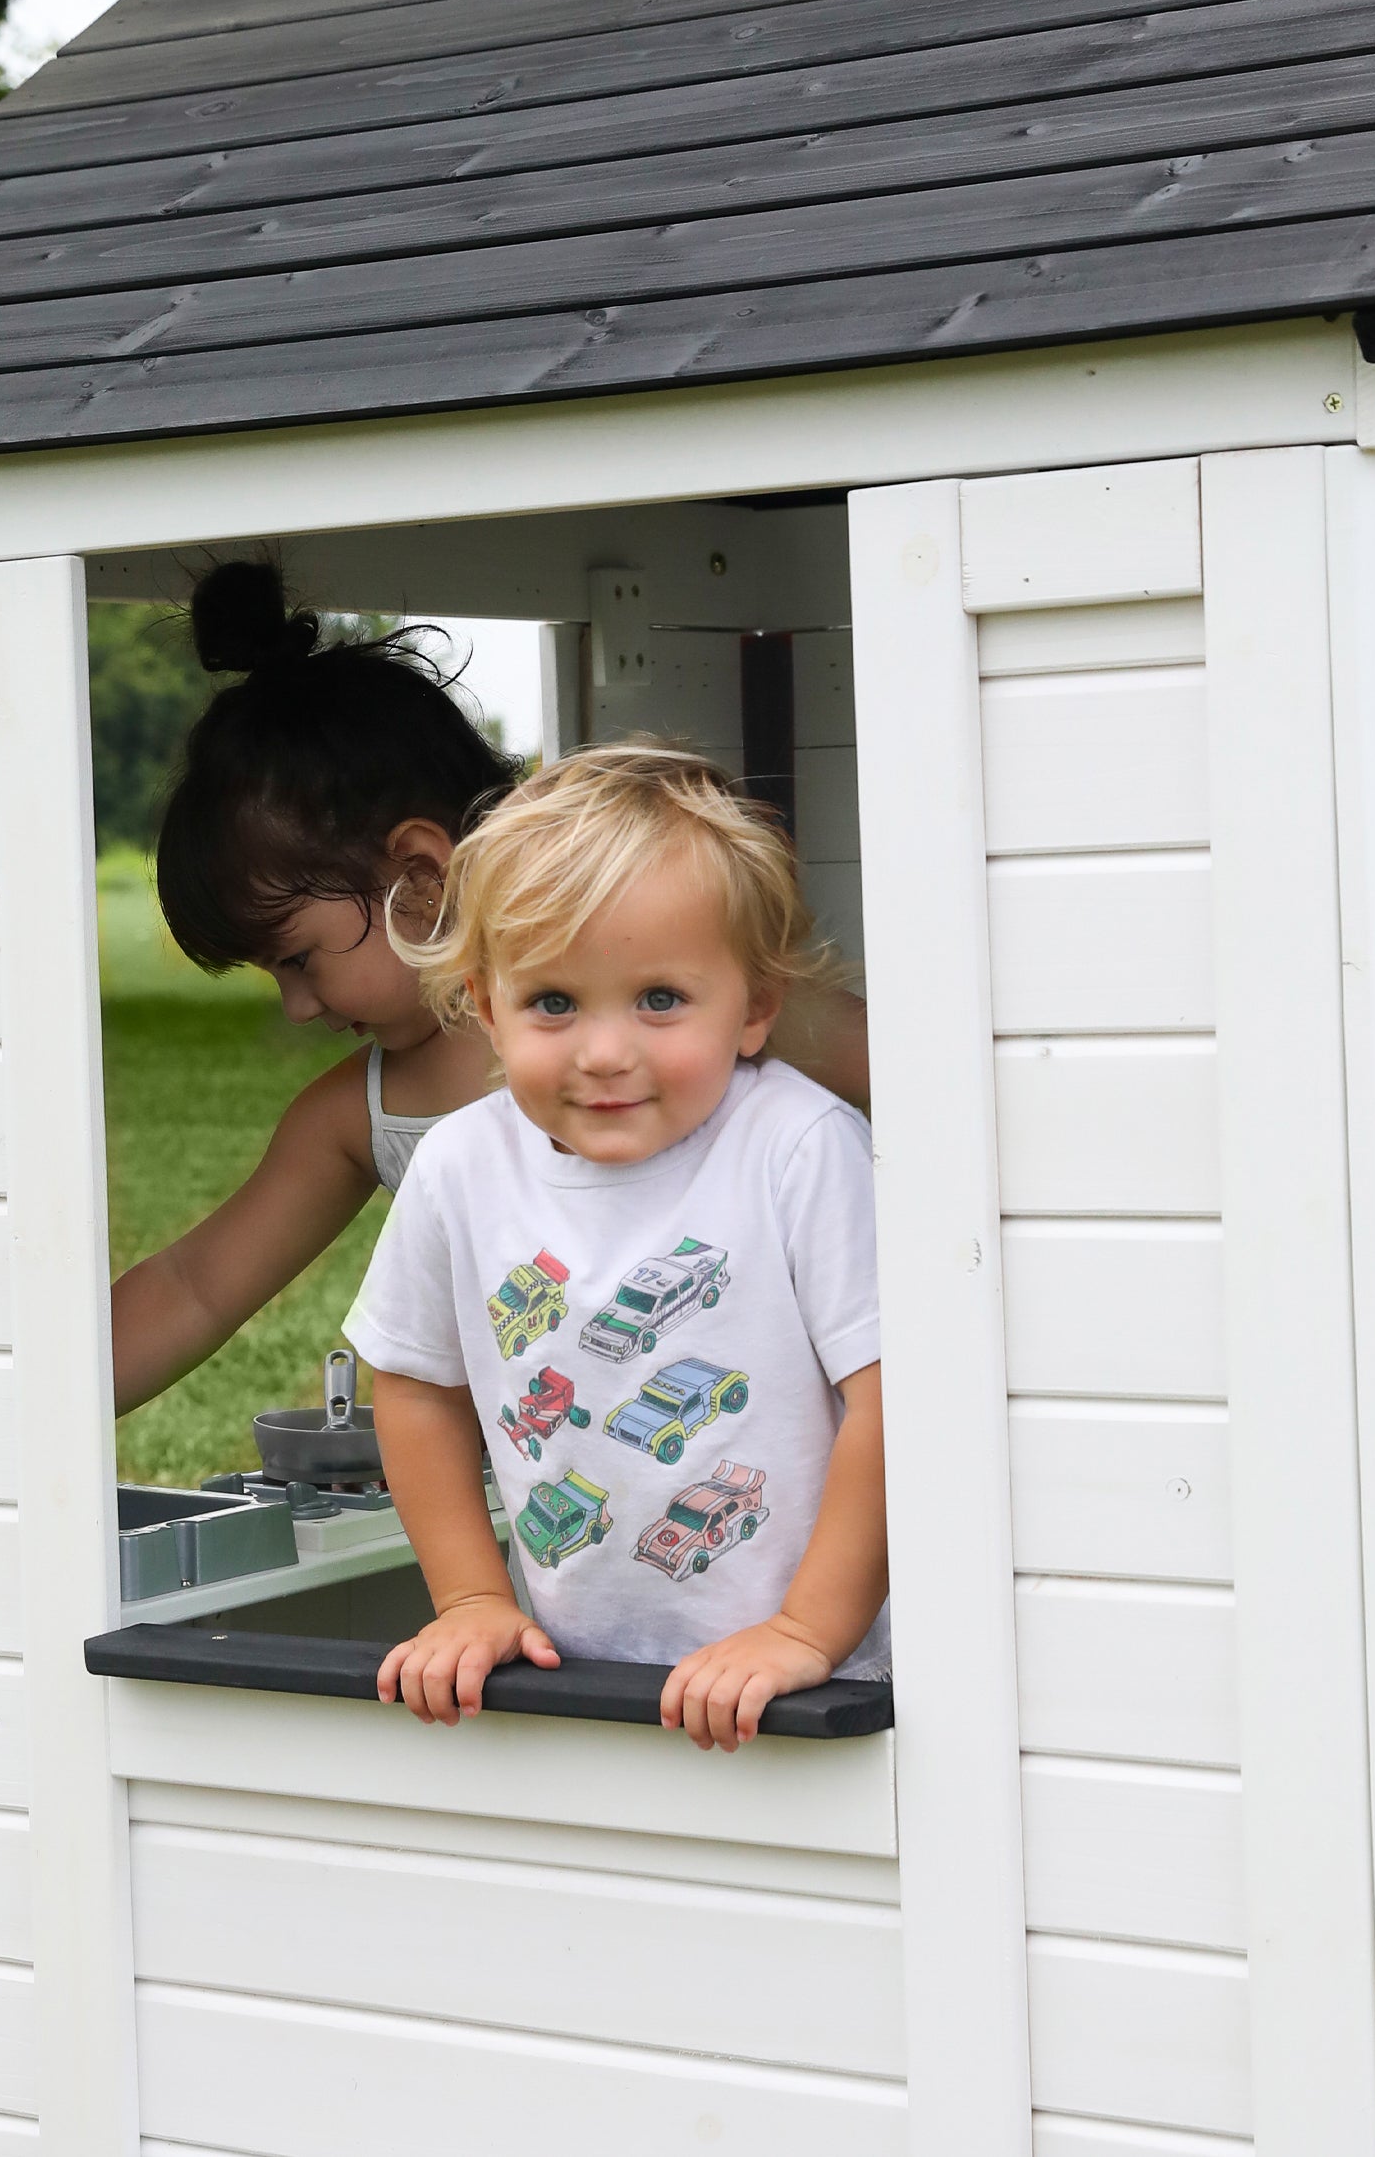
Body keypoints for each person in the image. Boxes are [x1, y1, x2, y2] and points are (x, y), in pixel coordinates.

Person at [108, 562, 868, 1416]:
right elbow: (193, 1286)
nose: (297, 1006)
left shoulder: (685, 992)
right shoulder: (360, 1120)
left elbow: (925, 1097)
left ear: (421, 877)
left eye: (298, 959)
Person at [348, 746, 889, 1750]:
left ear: (755, 1005)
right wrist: (470, 1598)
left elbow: (893, 1402)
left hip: (815, 1692)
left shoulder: (799, 1149)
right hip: (574, 1685)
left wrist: (805, 1631)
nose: (605, 1052)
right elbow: (416, 1382)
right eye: (553, 1002)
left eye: (659, 1000)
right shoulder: (461, 1166)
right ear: (483, 1004)